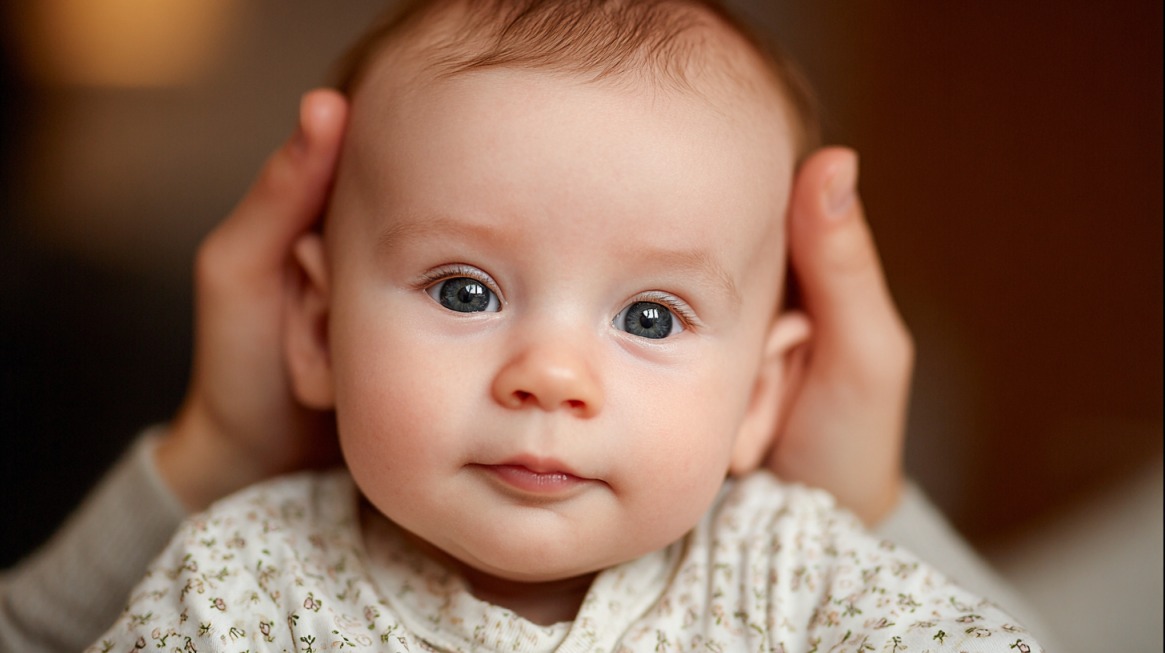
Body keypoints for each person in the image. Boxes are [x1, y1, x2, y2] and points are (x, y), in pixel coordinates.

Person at [75, 1, 1044, 651]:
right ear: (316, 329)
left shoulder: (799, 570)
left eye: (650, 315)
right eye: (465, 291)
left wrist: (871, 500)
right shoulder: (240, 579)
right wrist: (217, 453)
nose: (550, 374)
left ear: (758, 394)